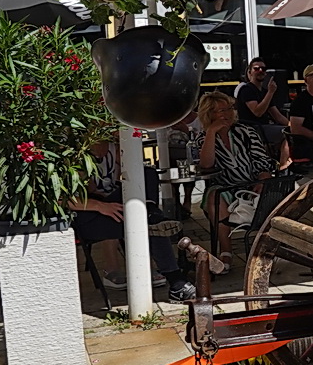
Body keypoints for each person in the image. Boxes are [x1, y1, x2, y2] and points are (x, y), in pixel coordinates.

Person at [70, 141, 196, 301]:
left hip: (109, 203)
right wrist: (99, 205)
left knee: (147, 174)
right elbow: (62, 199)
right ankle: (177, 283)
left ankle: (151, 212)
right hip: (88, 215)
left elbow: (128, 173)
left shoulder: (113, 147)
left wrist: (119, 150)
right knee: (150, 223)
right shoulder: (75, 153)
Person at [197, 90, 276, 266]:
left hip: (251, 184)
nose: (227, 114)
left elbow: (262, 161)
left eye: (229, 109)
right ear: (209, 114)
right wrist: (211, 133)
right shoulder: (203, 138)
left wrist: (263, 178)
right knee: (214, 197)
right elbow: (206, 165)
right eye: (221, 110)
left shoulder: (246, 132)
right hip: (224, 186)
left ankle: (267, 246)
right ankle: (226, 251)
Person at [234, 59, 290, 164]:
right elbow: (257, 112)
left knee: (291, 132)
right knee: (285, 134)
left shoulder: (264, 91)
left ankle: (279, 162)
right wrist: (270, 93)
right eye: (256, 68)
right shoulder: (247, 89)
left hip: (263, 127)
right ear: (249, 72)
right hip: (250, 129)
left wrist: (292, 125)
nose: (260, 70)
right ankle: (283, 167)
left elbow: (277, 115)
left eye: (263, 69)